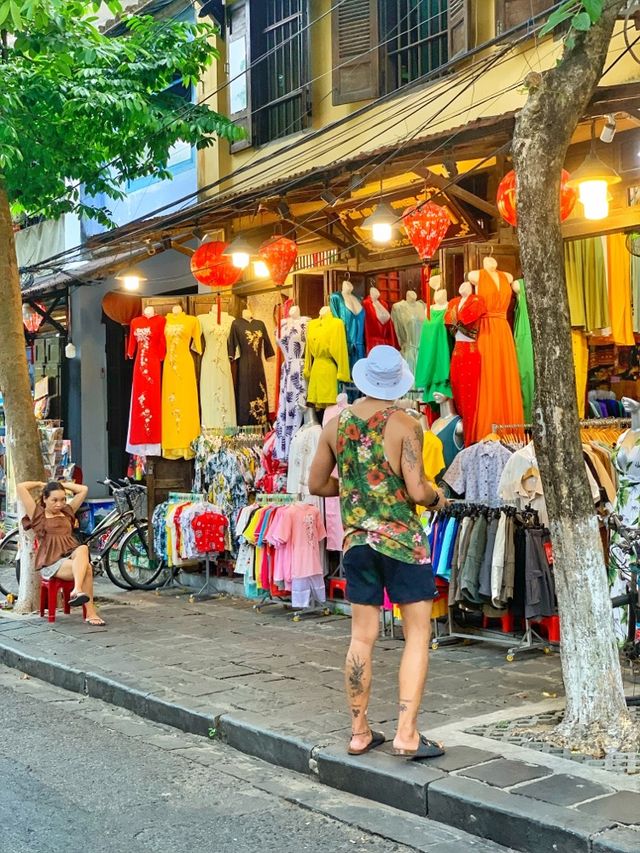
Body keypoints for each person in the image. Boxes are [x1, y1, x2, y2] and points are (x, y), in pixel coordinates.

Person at [308, 345, 447, 760]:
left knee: (361, 637)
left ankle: (359, 732)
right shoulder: (407, 424)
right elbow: (417, 489)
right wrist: (440, 499)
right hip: (402, 541)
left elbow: (317, 484)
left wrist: (354, 490)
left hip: (357, 543)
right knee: (417, 633)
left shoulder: (335, 425)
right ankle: (407, 733)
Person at [17, 480, 106, 627]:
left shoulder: (67, 511)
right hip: (52, 563)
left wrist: (61, 484)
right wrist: (40, 484)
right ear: (45, 499)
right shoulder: (37, 514)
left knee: (83, 549)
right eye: (54, 500)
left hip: (71, 556)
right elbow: (21, 487)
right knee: (88, 569)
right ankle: (90, 613)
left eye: (63, 499)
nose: (59, 504)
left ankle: (77, 590)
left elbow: (83, 489)